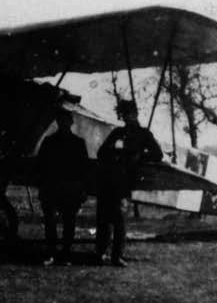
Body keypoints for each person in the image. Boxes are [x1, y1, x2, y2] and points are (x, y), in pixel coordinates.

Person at [95, 99, 163, 267]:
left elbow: (158, 154)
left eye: (129, 114)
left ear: (135, 114)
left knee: (119, 220)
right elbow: (101, 152)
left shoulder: (144, 134)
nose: (127, 117)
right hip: (108, 178)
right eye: (125, 115)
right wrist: (115, 151)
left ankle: (117, 256)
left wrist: (139, 156)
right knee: (103, 218)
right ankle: (100, 253)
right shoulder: (117, 132)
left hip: (125, 180)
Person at [36, 108, 90, 266]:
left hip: (71, 189)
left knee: (69, 222)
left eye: (66, 121)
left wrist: (83, 189)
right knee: (50, 222)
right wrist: (42, 187)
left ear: (71, 123)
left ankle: (66, 254)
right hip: (51, 187)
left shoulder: (79, 143)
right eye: (61, 121)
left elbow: (84, 169)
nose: (63, 124)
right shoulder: (48, 141)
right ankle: (51, 254)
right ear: (57, 123)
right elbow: (41, 166)